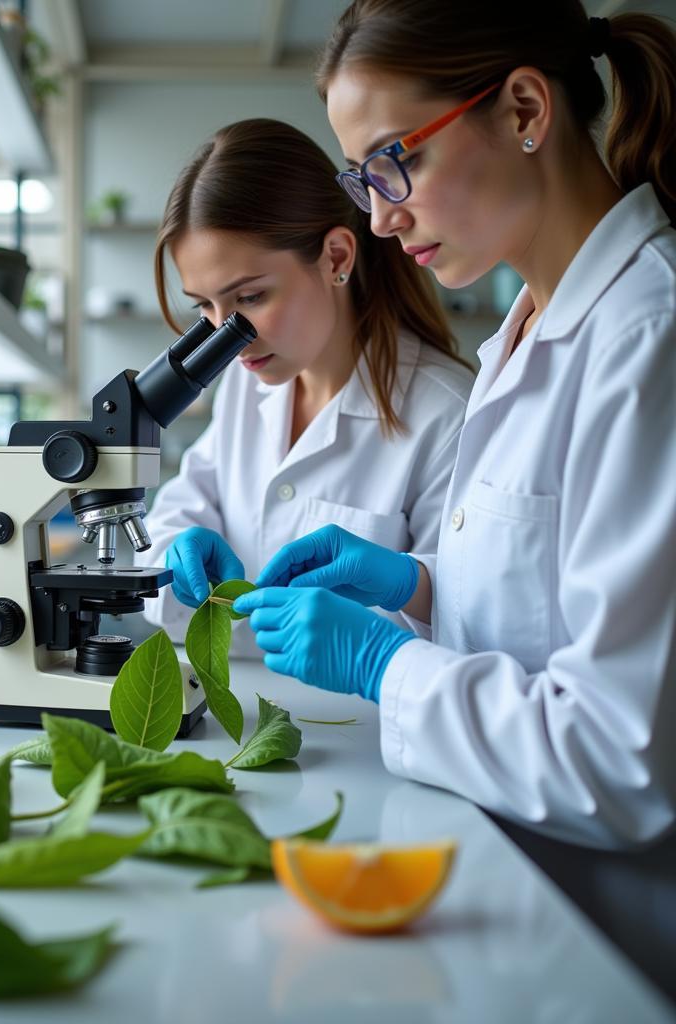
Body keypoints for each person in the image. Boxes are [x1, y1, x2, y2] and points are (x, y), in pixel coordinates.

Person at [234, 0, 676, 852]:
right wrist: (420, 585)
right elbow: (549, 605)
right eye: (361, 180)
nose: (379, 218)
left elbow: (625, 757)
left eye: (394, 163)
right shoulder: (527, 332)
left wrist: (384, 664)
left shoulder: (646, 337)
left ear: (524, 110)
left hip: (612, 932)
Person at [136, 118, 473, 657]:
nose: (230, 340)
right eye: (204, 306)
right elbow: (177, 518)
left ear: (336, 257)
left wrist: (381, 631)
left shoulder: (447, 413)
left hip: (377, 730)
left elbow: (473, 620)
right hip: (246, 717)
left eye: (249, 298)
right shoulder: (249, 389)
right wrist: (176, 553)